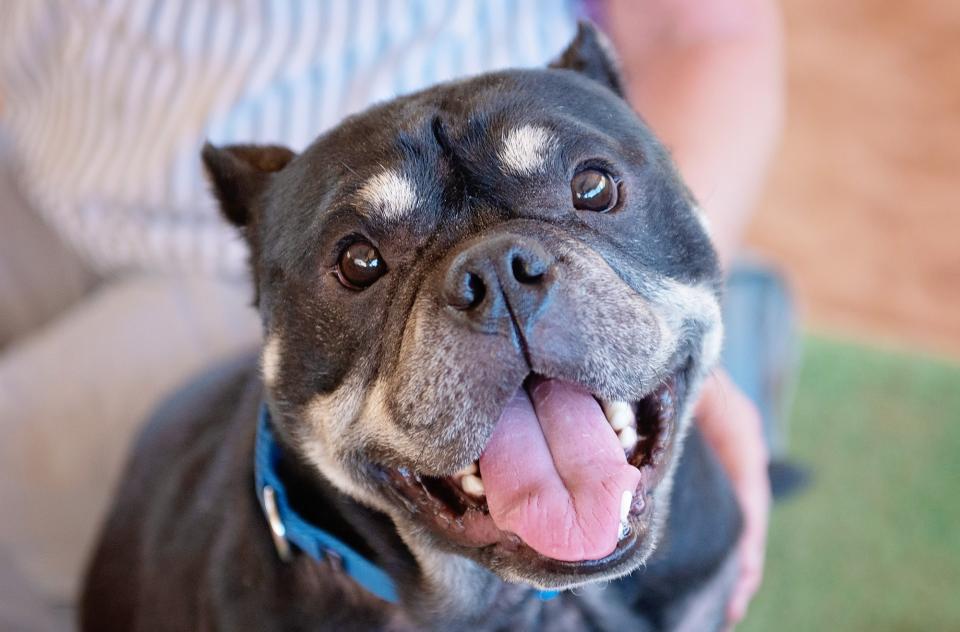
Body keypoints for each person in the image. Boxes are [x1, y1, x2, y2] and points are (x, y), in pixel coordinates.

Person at [0, 1, 782, 628]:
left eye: (591, 192)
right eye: (364, 262)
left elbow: (705, 27)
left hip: (207, 256)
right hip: (48, 155)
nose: (500, 283)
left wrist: (656, 349)